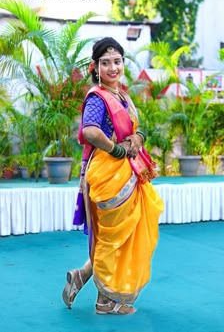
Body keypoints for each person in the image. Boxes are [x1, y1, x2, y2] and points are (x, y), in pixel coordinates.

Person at [62, 37, 164, 315]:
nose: (113, 67)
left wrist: (138, 138)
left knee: (125, 235)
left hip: (127, 171)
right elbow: (90, 131)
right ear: (96, 67)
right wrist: (117, 149)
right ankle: (104, 301)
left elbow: (138, 127)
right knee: (111, 238)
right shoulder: (98, 96)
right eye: (106, 63)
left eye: (117, 61)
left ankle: (82, 275)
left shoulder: (122, 95)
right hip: (109, 175)